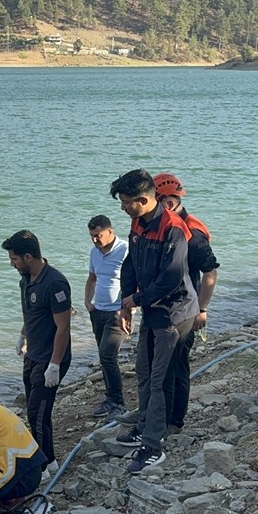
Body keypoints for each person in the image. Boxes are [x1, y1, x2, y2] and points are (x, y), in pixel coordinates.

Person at [109, 170, 198, 475]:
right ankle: (145, 424)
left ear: (144, 199)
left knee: (160, 379)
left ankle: (153, 445)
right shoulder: (138, 222)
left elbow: (171, 278)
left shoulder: (173, 228)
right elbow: (131, 263)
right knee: (144, 372)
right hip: (151, 309)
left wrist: (137, 299)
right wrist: (126, 302)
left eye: (126, 202)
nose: (123, 208)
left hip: (175, 313)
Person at [152, 173, 220, 435]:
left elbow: (210, 272)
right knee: (165, 366)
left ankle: (174, 420)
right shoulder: (165, 225)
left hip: (186, 309)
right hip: (166, 308)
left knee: (177, 366)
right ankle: (161, 416)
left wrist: (202, 309)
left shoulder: (192, 232)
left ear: (169, 202)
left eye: (159, 202)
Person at [2, 229, 72, 474]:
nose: (12, 264)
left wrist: (54, 365)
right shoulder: (26, 279)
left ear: (28, 257)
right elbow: (31, 314)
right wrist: (23, 335)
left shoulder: (55, 283)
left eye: (14, 259)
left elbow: (63, 327)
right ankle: (49, 460)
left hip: (50, 357)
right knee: (36, 413)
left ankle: (42, 466)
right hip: (33, 354)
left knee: (37, 413)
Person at [83, 215, 129, 420]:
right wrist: (87, 302)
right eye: (92, 236)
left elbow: (135, 280)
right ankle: (110, 398)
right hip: (98, 311)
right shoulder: (94, 252)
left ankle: (119, 403)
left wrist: (128, 309)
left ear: (110, 231)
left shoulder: (125, 250)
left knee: (108, 356)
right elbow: (92, 278)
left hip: (118, 313)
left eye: (98, 235)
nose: (95, 240)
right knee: (104, 358)